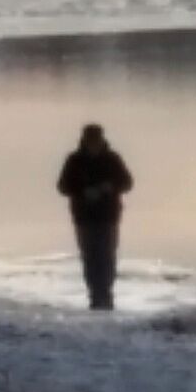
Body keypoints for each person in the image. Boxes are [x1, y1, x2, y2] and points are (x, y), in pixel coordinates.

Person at [55, 124, 133, 310]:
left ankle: (105, 293)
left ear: (101, 140)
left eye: (96, 141)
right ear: (84, 141)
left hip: (108, 216)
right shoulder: (74, 160)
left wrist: (110, 187)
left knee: (107, 255)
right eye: (90, 142)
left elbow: (128, 183)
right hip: (84, 217)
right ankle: (95, 294)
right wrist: (83, 191)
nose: (94, 145)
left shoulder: (112, 159)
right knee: (90, 257)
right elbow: (62, 187)